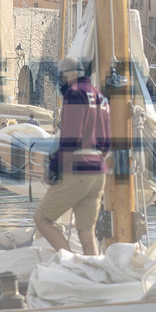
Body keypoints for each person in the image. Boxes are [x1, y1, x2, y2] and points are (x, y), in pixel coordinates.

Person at [34, 57, 111, 255]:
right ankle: (94, 274)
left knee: (42, 219)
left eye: (61, 76)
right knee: (87, 232)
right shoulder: (102, 98)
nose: (60, 81)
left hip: (78, 168)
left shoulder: (74, 94)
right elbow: (108, 140)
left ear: (68, 74)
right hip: (98, 170)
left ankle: (71, 262)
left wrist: (54, 168)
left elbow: (71, 137)